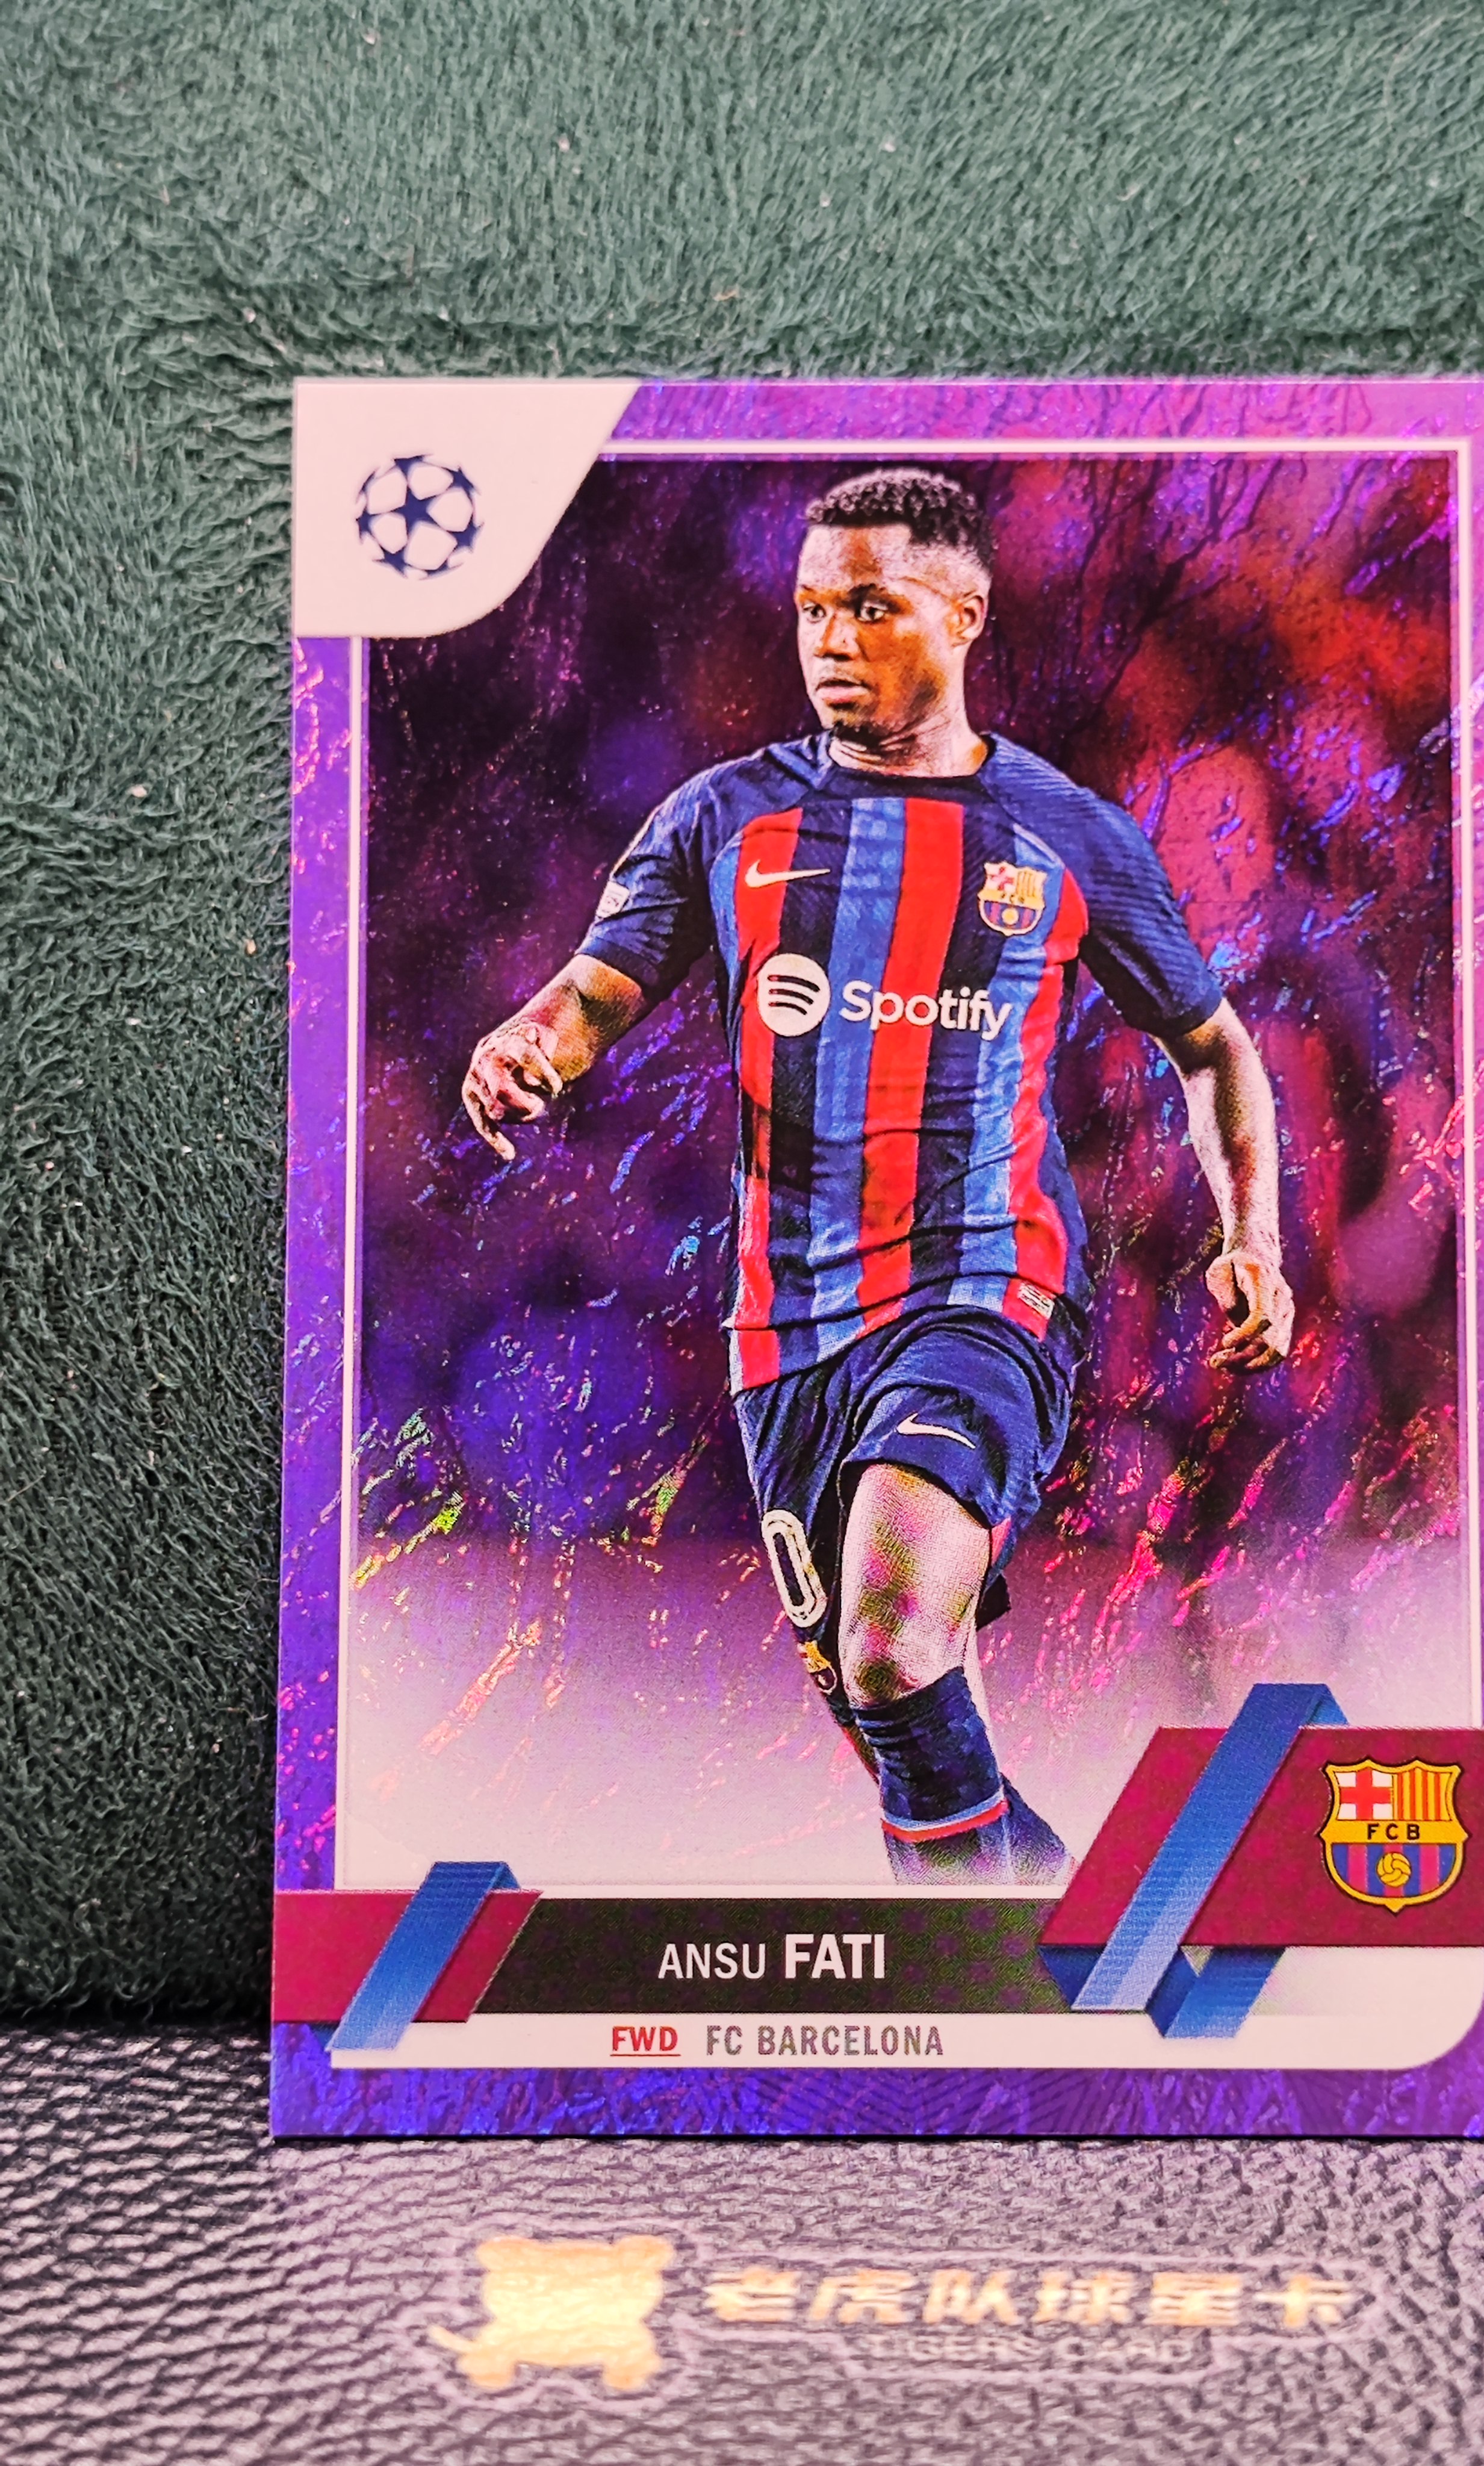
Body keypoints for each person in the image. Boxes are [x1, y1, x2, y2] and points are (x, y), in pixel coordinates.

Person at [462, 467, 1293, 1885]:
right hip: (784, 1333)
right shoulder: (723, 818)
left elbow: (1215, 1047)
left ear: (963, 614)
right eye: (811, 610)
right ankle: (1060, 1923)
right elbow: (591, 994)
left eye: (869, 606)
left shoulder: (1065, 831)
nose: (830, 640)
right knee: (897, 1720)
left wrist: (1253, 1235)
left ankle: (989, 1972)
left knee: (895, 1645)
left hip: (985, 1291)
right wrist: (524, 1044)